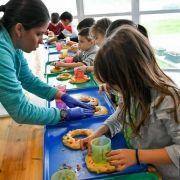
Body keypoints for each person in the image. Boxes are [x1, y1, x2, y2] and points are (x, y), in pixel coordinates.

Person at [81, 26, 180, 179]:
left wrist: (138, 156)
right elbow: (121, 113)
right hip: (143, 167)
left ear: (132, 74)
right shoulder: (130, 90)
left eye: (114, 82)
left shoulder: (169, 99)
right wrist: (98, 133)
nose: (112, 87)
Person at [0, 0, 94, 125]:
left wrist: (61, 95)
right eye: (38, 34)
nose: (41, 41)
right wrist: (64, 114)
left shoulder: (13, 44)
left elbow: (27, 79)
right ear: (19, 29)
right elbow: (21, 111)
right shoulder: (2, 51)